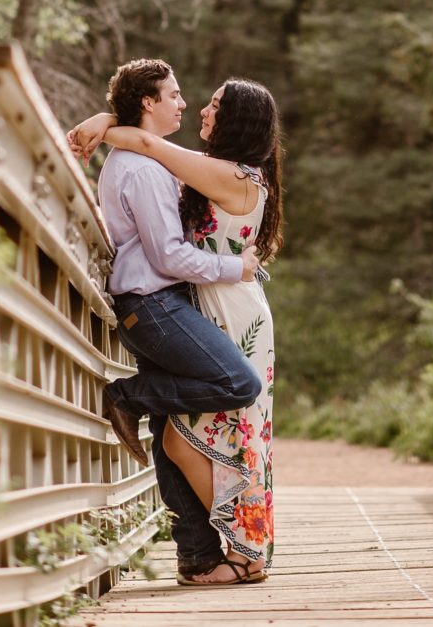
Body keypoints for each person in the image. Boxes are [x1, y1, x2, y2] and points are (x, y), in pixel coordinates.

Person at [71, 77, 283, 585]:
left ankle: (247, 548)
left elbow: (147, 144)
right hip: (200, 302)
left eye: (213, 106)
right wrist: (108, 122)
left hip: (231, 309)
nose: (200, 111)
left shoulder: (233, 175)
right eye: (198, 102)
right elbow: (149, 151)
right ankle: (204, 554)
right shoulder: (210, 169)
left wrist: (104, 124)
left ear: (234, 121)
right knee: (182, 434)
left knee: (238, 430)